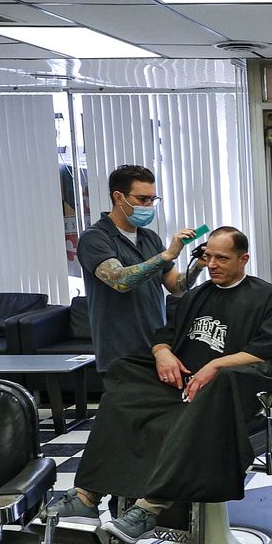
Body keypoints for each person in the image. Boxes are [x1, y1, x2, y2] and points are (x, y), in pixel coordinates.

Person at [74, 227, 272, 544]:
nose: (212, 265)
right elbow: (164, 335)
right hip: (183, 386)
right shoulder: (196, 296)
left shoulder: (267, 297)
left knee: (216, 386)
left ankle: (149, 508)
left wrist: (216, 365)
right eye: (208, 257)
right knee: (124, 374)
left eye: (222, 258)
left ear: (244, 259)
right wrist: (162, 353)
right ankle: (86, 496)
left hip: (232, 393)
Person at [50, 164, 199, 523]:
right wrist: (167, 255)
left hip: (156, 347)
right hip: (119, 349)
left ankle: (117, 502)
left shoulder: (148, 238)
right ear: (119, 197)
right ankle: (95, 496)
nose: (149, 205)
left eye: (153, 199)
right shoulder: (95, 238)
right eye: (142, 199)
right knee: (120, 425)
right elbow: (119, 280)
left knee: (141, 428)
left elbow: (176, 286)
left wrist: (199, 263)